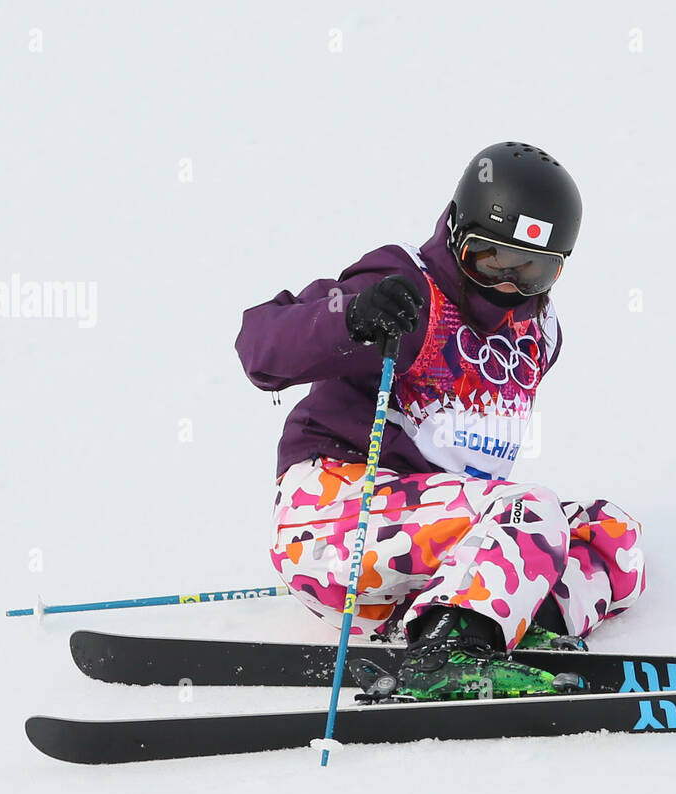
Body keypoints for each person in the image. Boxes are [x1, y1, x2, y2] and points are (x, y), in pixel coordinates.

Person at [236, 142, 646, 700]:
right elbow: (260, 347)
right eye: (491, 260)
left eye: (533, 270)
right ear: (456, 233)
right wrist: (352, 320)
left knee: (611, 537)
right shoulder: (409, 286)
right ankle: (446, 652)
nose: (508, 285)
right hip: (334, 527)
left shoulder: (539, 334)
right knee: (530, 509)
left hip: (433, 552)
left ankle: (507, 626)